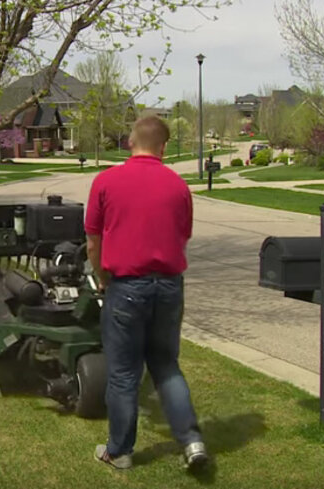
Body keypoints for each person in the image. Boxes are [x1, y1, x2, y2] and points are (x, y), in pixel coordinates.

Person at [85, 116, 207, 470]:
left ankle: (119, 451)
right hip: (169, 286)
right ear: (164, 147)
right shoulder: (178, 186)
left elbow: (94, 242)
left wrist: (102, 276)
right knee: (166, 365)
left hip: (126, 286)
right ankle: (193, 441)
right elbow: (182, 236)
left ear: (129, 142)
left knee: (124, 374)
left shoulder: (107, 182)